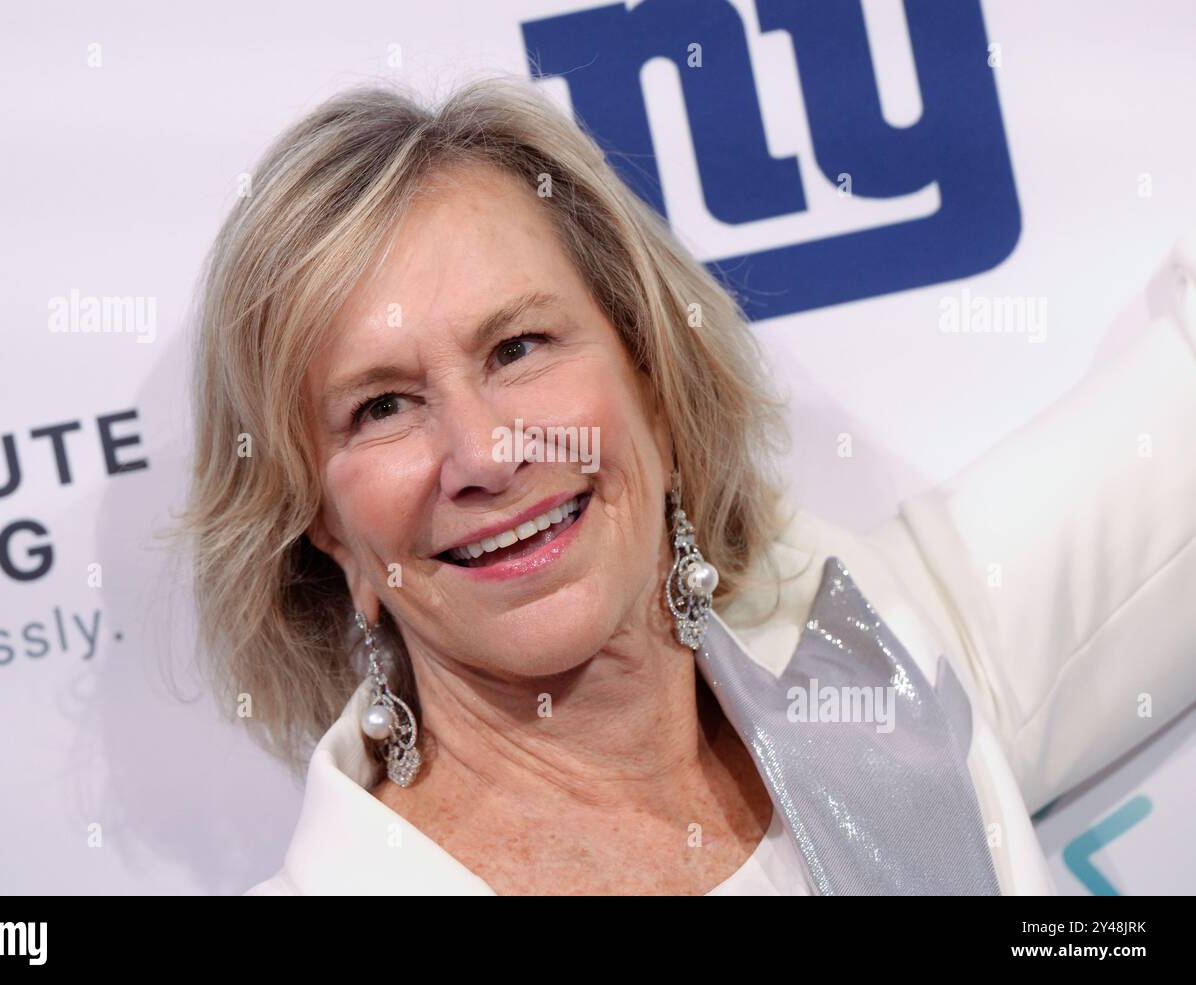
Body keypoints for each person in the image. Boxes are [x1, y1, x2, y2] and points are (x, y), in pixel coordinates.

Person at [173, 76, 1196, 895]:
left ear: (652, 377)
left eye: (518, 346)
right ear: (325, 530)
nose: (484, 454)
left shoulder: (884, 661)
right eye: (382, 407)